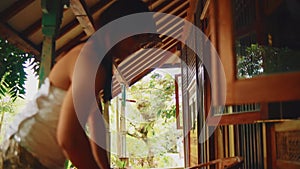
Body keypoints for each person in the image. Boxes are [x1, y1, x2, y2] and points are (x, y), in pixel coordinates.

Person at [0, 0, 160, 168]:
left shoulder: (98, 62)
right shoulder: (90, 59)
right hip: (24, 156)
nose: (136, 48)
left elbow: (96, 124)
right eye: (135, 37)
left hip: (35, 156)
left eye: (141, 41)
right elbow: (69, 139)